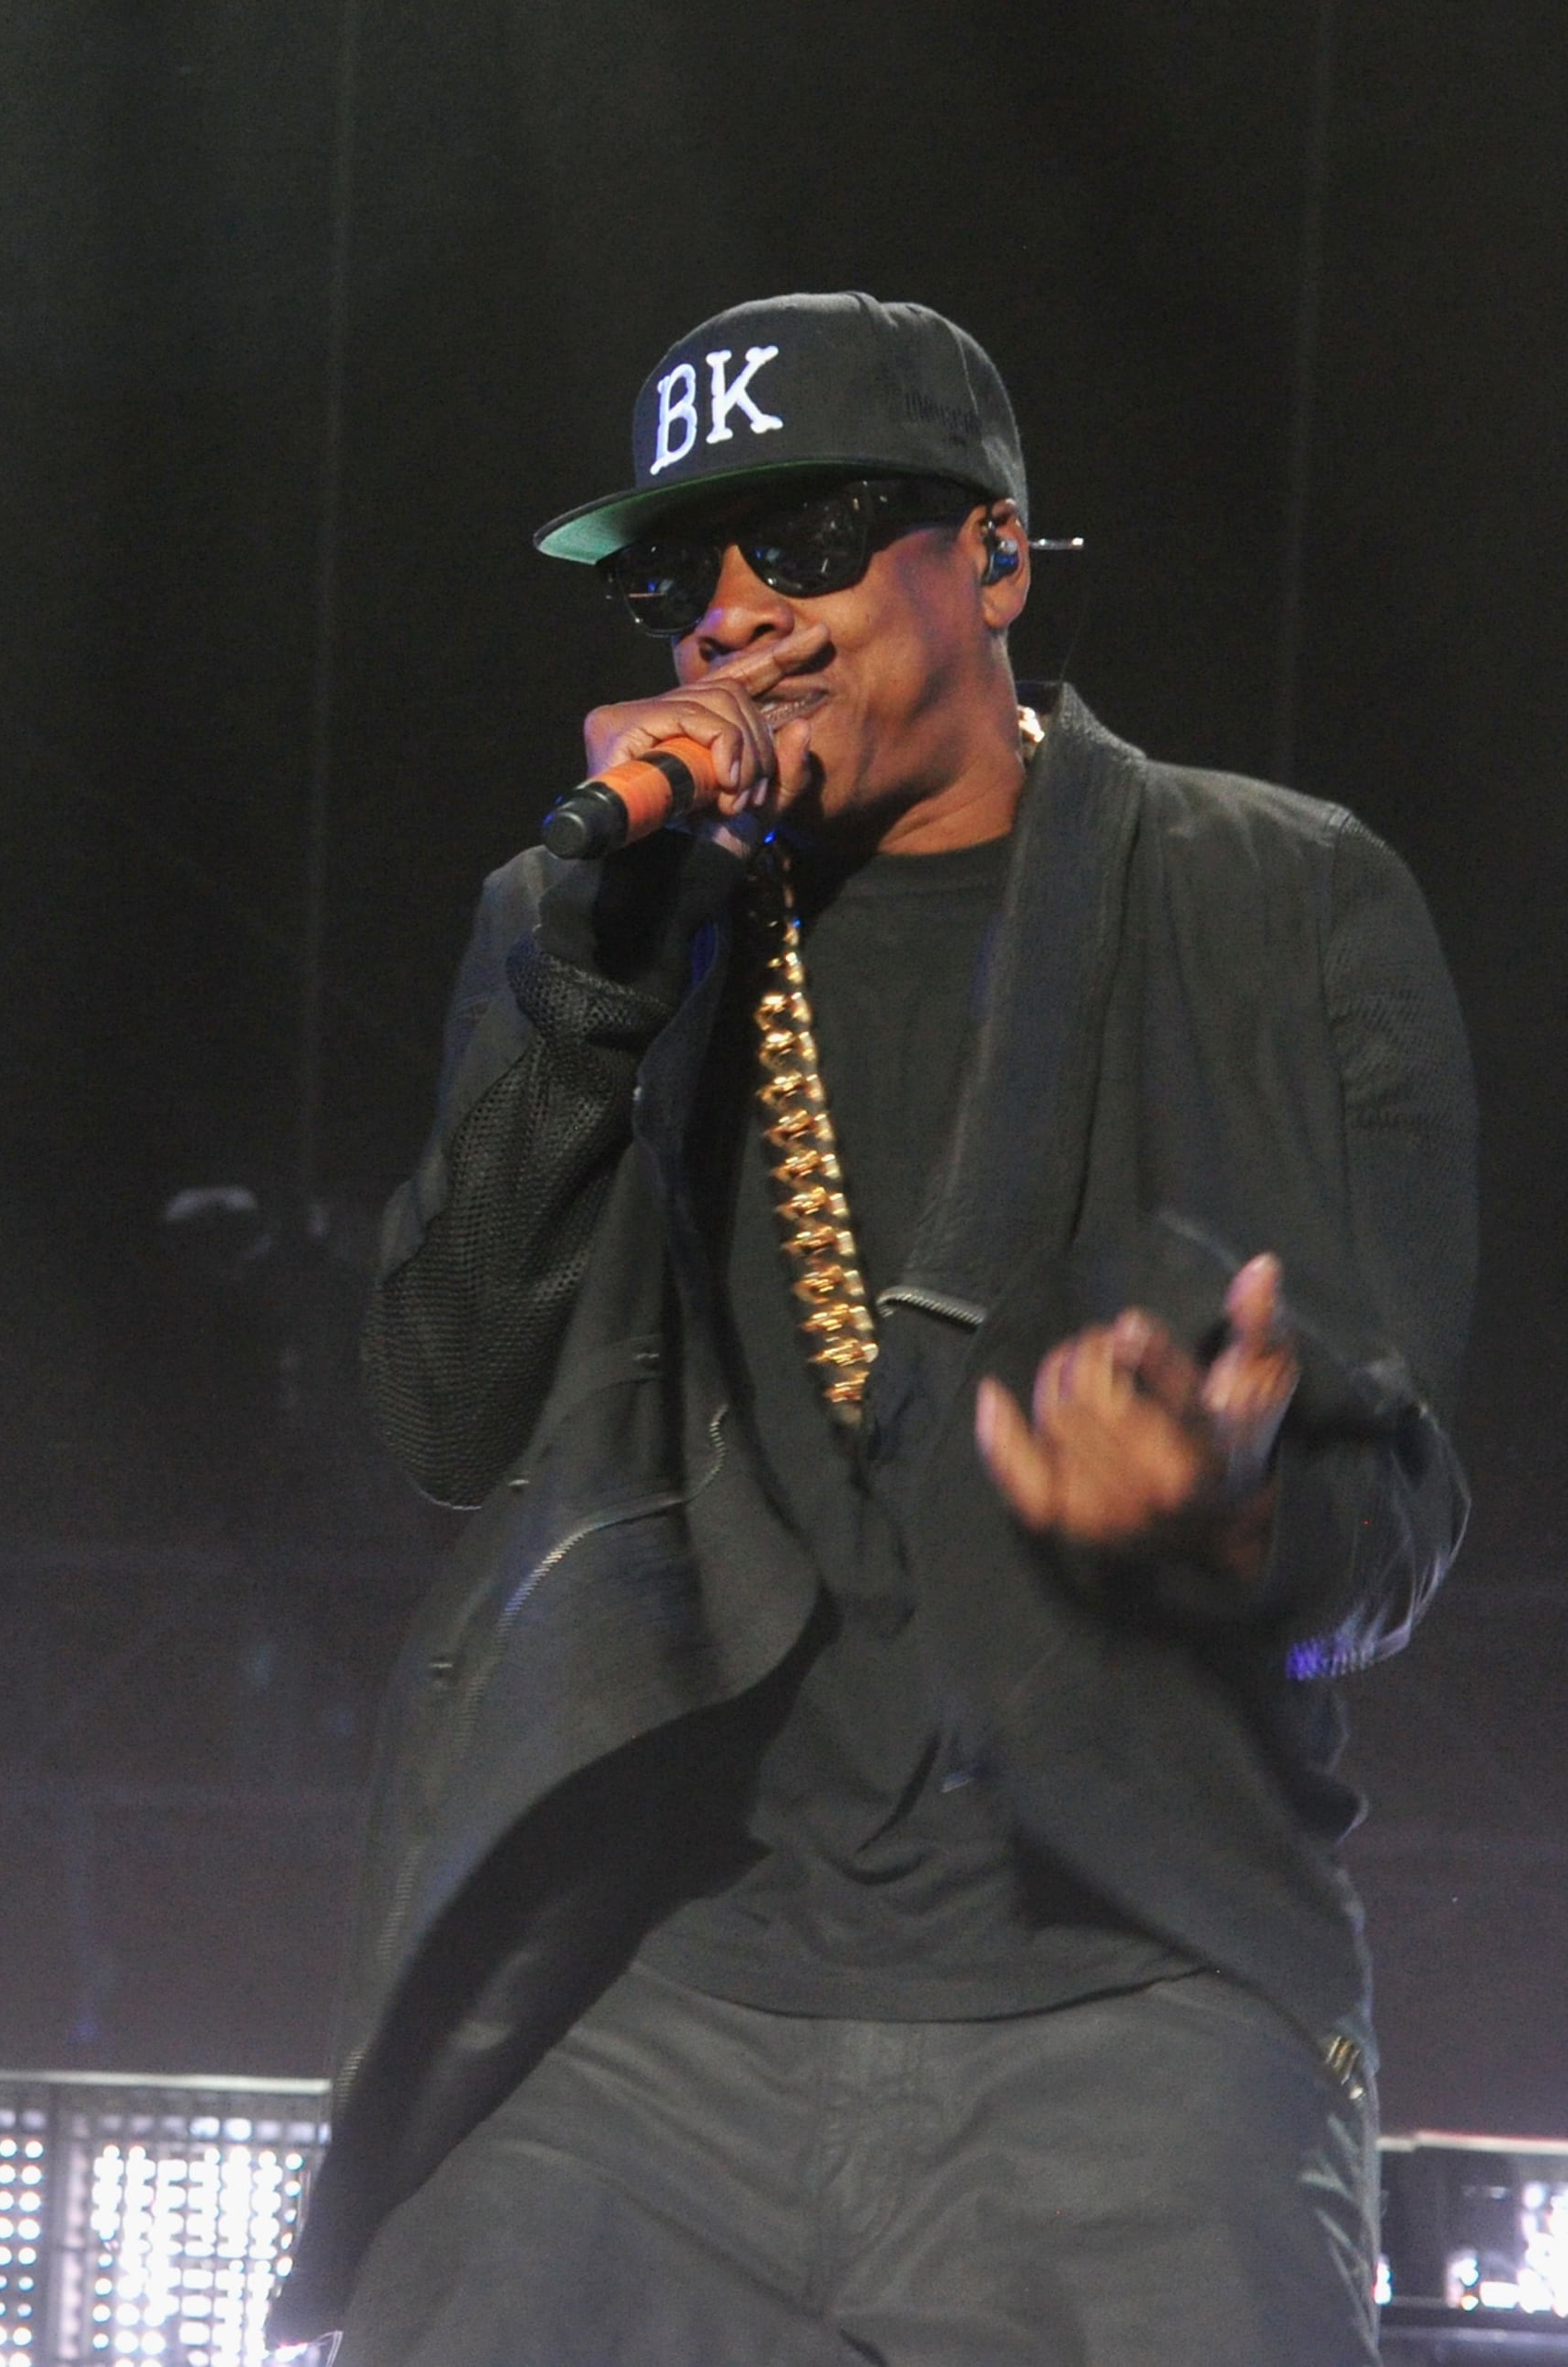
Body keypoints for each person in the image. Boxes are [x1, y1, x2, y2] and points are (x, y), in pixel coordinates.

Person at [275, 293, 1474, 2365]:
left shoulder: (1282, 902)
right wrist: (596, 974)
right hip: (634, 2018)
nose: (733, 612)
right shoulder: (579, 926)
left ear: (995, 554)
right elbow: (447, 1409)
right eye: (676, 571)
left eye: (808, 535)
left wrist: (1218, 1506)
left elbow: (1396, 1523)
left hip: (1126, 1999)